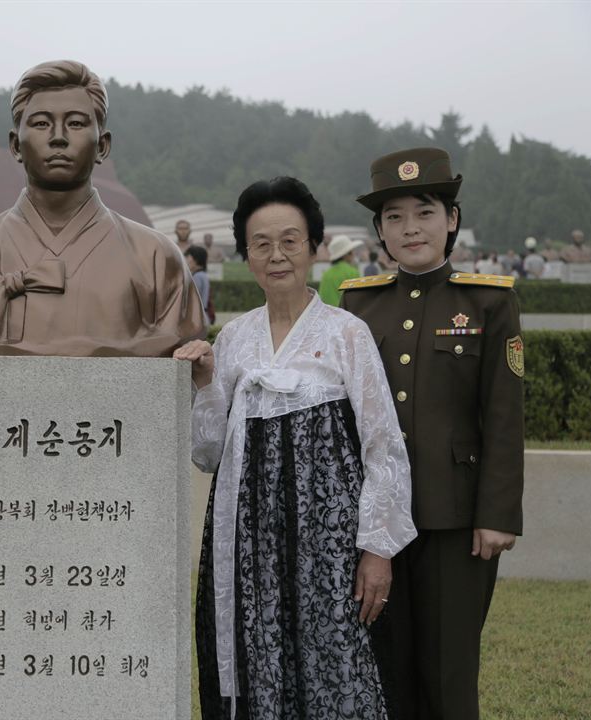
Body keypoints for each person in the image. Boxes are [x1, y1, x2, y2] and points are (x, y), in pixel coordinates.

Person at [175, 176, 416, 719]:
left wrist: (378, 548)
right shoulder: (233, 340)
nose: (276, 255)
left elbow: (384, 448)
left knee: (333, 666)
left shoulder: (347, 334)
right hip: (247, 546)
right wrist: (207, 382)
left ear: (313, 246)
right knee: (253, 661)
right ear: (245, 254)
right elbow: (208, 453)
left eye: (290, 240)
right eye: (261, 243)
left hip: (327, 550)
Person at [340, 147, 524, 720]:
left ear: (452, 219)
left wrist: (497, 512)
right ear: (379, 232)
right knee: (386, 670)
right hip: (376, 525)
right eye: (394, 217)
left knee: (447, 674)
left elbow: (503, 412)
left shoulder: (489, 300)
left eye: (424, 212)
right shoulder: (357, 304)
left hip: (456, 519)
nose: (410, 228)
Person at [0, 60, 204, 357]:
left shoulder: (156, 258)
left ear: (102, 145)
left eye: (76, 123)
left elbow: (176, 336)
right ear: (15, 145)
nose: (58, 137)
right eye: (41, 123)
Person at [318, 234, 364, 306]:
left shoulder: (326, 274)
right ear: (346, 254)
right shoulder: (352, 272)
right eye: (351, 252)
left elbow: (322, 299)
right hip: (346, 314)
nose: (353, 254)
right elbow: (357, 299)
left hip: (328, 315)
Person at [184, 244, 213, 325]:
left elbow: (191, 300)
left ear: (195, 259)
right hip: (203, 316)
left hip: (196, 318)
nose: (186, 261)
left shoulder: (197, 277)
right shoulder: (203, 275)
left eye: (188, 257)